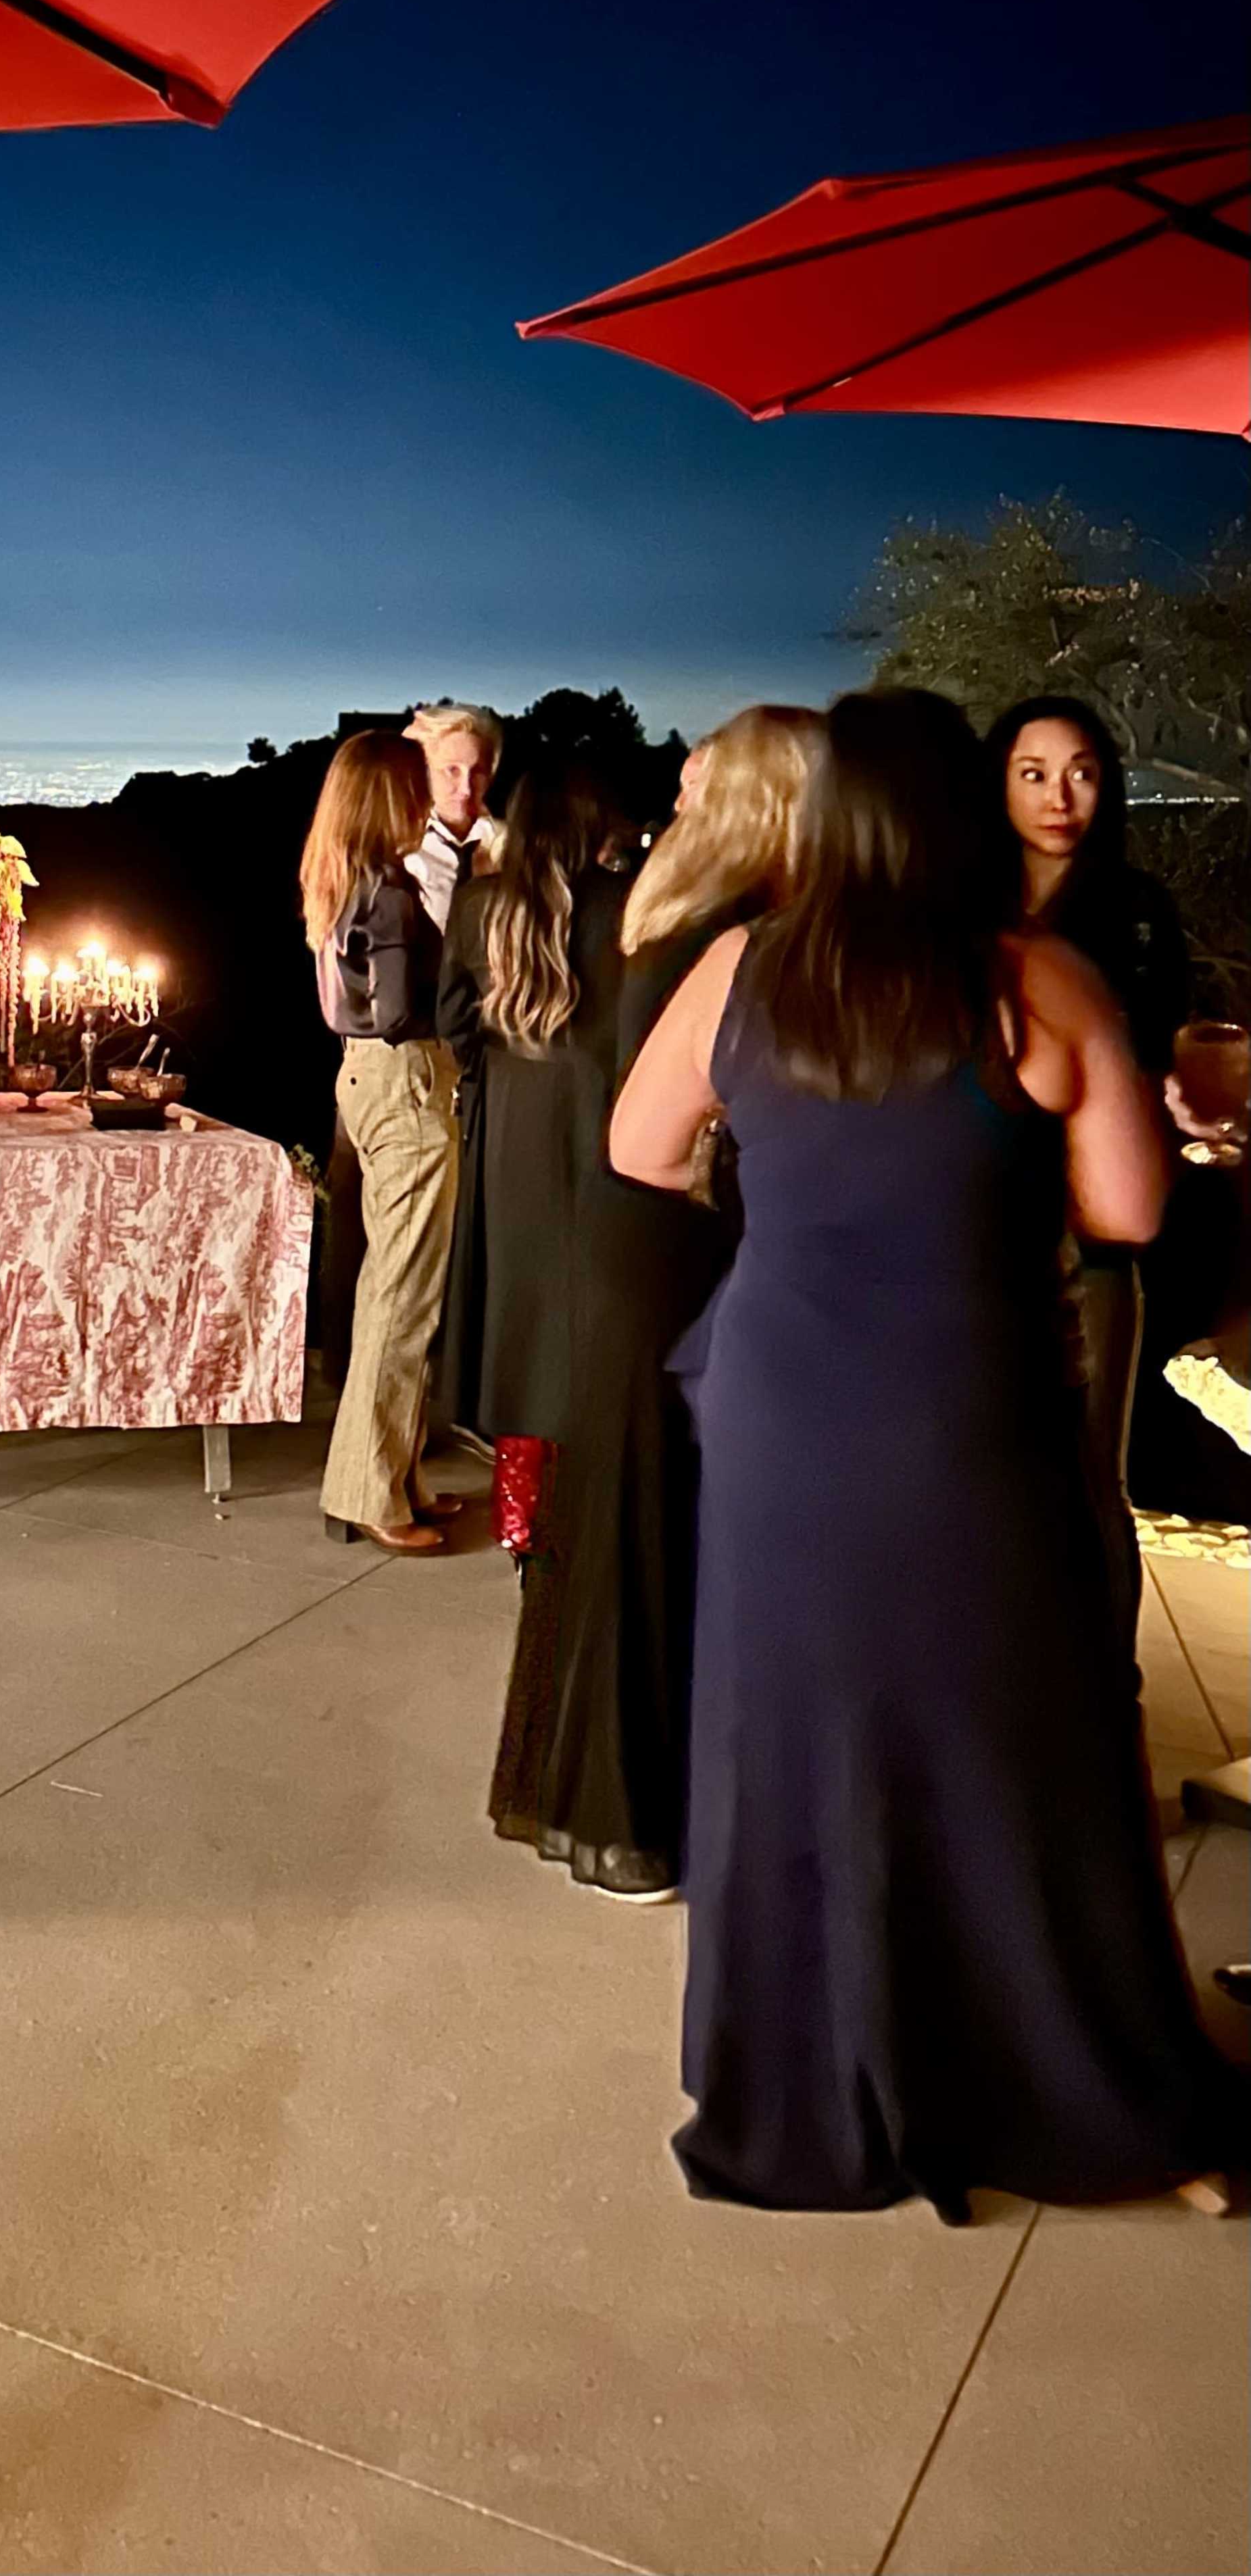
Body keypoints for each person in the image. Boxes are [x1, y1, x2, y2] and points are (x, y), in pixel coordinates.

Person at [614, 688, 1241, 2218]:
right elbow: (1129, 1215)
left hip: (780, 1413)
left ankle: (806, 2066)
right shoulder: (1035, 984)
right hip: (963, 1408)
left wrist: (781, 1208)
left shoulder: (737, 970)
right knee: (1008, 1734)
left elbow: (638, 1147)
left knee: (802, 1734)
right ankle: (1043, 2070)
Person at [522, 703, 820, 1901]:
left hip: (632, 1240)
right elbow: (671, 1130)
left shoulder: (659, 905)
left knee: (643, 1507)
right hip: (679, 1239)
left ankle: (649, 1807)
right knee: (663, 1513)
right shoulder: (731, 927)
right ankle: (644, 1814)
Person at [987, 694, 1248, 1539]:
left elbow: (1155, 1056)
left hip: (1088, 1231)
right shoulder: (961, 912)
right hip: (970, 1228)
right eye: (1034, 774)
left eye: (1082, 774)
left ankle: (1103, 1671)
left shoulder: (1135, 911)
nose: (1059, 797)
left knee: (1090, 1483)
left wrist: (1188, 1102)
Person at [435, 761, 629, 1817]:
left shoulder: (481, 904)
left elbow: (450, 1016)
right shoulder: (618, 911)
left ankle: (523, 1526)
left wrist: (501, 1068)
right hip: (597, 1123)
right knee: (590, 1318)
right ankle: (581, 1521)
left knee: (517, 1317)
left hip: (511, 1122)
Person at [299, 730, 467, 1554]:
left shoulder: (339, 882)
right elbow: (402, 1010)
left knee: (388, 1286)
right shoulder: (392, 891)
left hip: (361, 1079)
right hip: (406, 1080)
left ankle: (391, 1475)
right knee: (405, 1294)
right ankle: (372, 1486)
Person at [314, 703, 501, 1398]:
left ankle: (389, 1451)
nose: (461, 784)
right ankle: (366, 1452)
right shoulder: (390, 873)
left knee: (408, 1276)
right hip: (407, 1067)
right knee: (394, 1278)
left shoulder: (355, 865)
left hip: (417, 1069)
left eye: (477, 769)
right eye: (445, 769)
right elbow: (391, 1007)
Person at [402, 703, 504, 932]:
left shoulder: (514, 847)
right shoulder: (400, 852)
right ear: (423, 770)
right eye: (452, 770)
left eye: (478, 772)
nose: (466, 788)